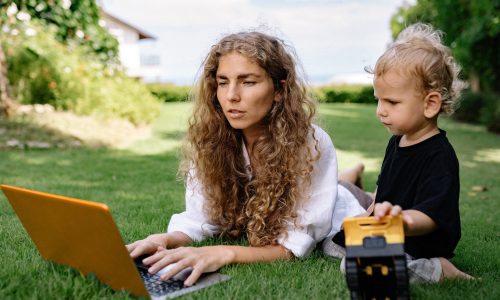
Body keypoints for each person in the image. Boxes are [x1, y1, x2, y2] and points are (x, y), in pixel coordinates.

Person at [126, 31, 368, 286]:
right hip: (324, 188)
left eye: (248, 82)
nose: (231, 96)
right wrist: (164, 239)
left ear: (279, 89)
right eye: (222, 82)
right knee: (340, 184)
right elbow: (199, 218)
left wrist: (224, 252)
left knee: (349, 195)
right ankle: (351, 175)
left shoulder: (311, 144)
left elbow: (294, 246)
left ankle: (353, 179)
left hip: (339, 204)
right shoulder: (212, 141)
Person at [326, 23, 474, 283]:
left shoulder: (439, 156)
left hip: (418, 240)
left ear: (430, 104)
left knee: (355, 264)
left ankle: (439, 269)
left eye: (392, 102)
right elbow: (387, 190)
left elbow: (431, 215)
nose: (380, 110)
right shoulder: (397, 141)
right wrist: (369, 214)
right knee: (332, 244)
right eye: (378, 99)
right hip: (388, 231)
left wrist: (400, 221)